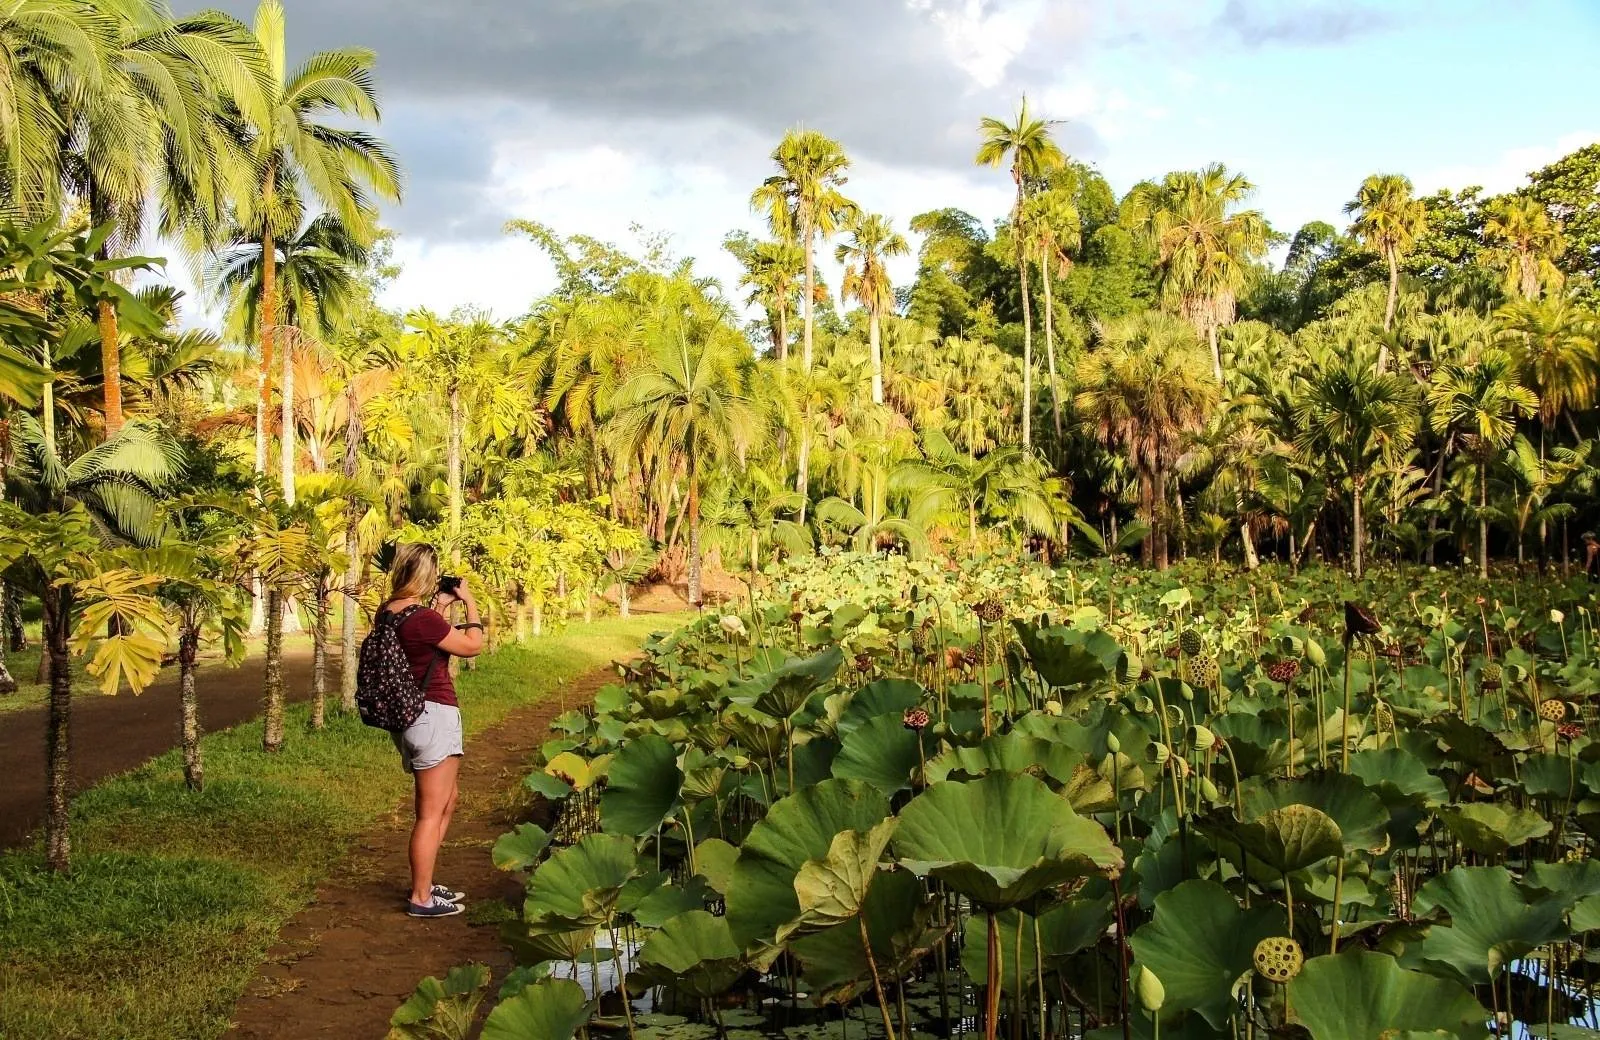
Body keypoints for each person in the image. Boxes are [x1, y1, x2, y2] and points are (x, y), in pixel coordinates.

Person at [384, 542, 485, 918]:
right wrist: (470, 603)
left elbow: (421, 645)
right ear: (426, 575)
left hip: (410, 717)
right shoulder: (422, 619)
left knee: (447, 799)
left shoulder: (390, 613)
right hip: (433, 715)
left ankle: (426, 881)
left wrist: (442, 607)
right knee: (429, 813)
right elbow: (472, 645)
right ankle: (421, 897)